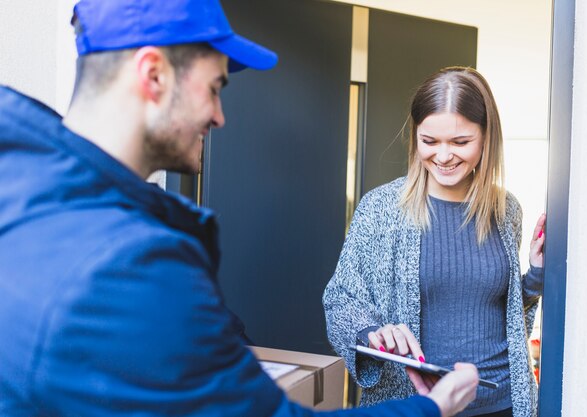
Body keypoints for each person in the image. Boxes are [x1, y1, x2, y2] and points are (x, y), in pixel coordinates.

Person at [0, 1, 479, 416]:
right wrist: (431, 407)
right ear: (153, 75)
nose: (219, 115)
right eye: (214, 88)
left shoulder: (28, 191)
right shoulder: (128, 258)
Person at [323, 67, 546, 417]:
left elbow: (502, 312)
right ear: (416, 137)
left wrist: (535, 276)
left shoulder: (506, 210)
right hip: (416, 406)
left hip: (501, 403)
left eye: (460, 142)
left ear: (487, 138)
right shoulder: (381, 208)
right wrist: (371, 334)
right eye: (430, 141)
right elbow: (340, 301)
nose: (443, 156)